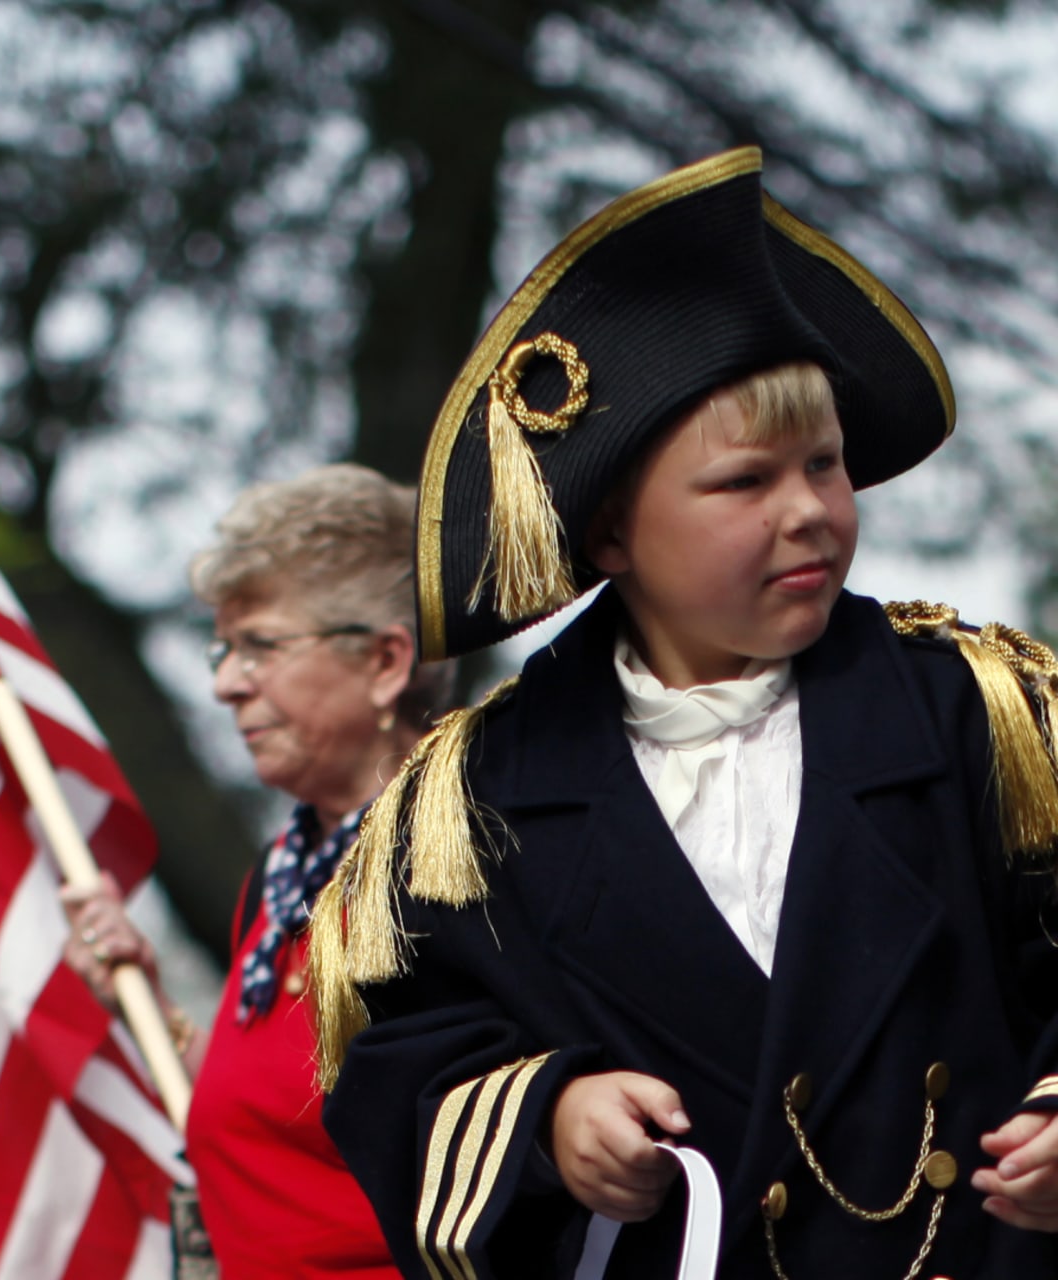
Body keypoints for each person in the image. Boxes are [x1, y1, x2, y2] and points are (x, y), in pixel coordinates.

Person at [309, 145, 1058, 1279]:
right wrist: (546, 1118)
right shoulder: (479, 796)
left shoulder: (978, 710)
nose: (809, 510)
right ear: (610, 533)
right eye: (746, 481)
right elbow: (398, 1057)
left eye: (827, 464)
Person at [61, 463, 455, 1279]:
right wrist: (147, 1001)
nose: (224, 684)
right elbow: (283, 1124)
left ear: (386, 662)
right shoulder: (287, 874)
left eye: (261, 647)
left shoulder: (455, 864)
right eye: (223, 648)